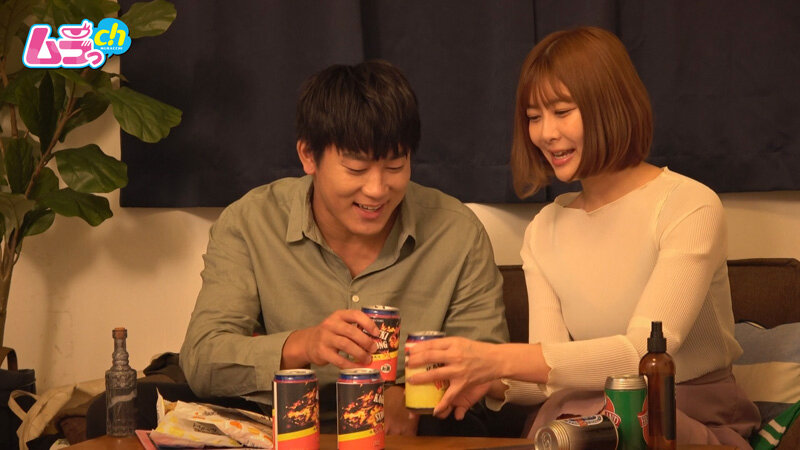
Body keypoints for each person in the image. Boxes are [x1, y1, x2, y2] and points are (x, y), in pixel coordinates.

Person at [405, 26, 760, 447]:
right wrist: (488, 380)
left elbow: (642, 357)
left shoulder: (688, 205)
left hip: (682, 416)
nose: (545, 133)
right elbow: (552, 372)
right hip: (591, 410)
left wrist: (493, 357)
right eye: (534, 117)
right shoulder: (544, 229)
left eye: (561, 111)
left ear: (610, 106)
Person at [178, 60, 509, 436]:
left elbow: (490, 370)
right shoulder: (251, 223)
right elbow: (202, 359)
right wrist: (302, 345)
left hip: (411, 436)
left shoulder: (457, 232)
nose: (377, 189)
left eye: (395, 166)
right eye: (356, 169)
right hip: (284, 433)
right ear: (308, 156)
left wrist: (412, 397)